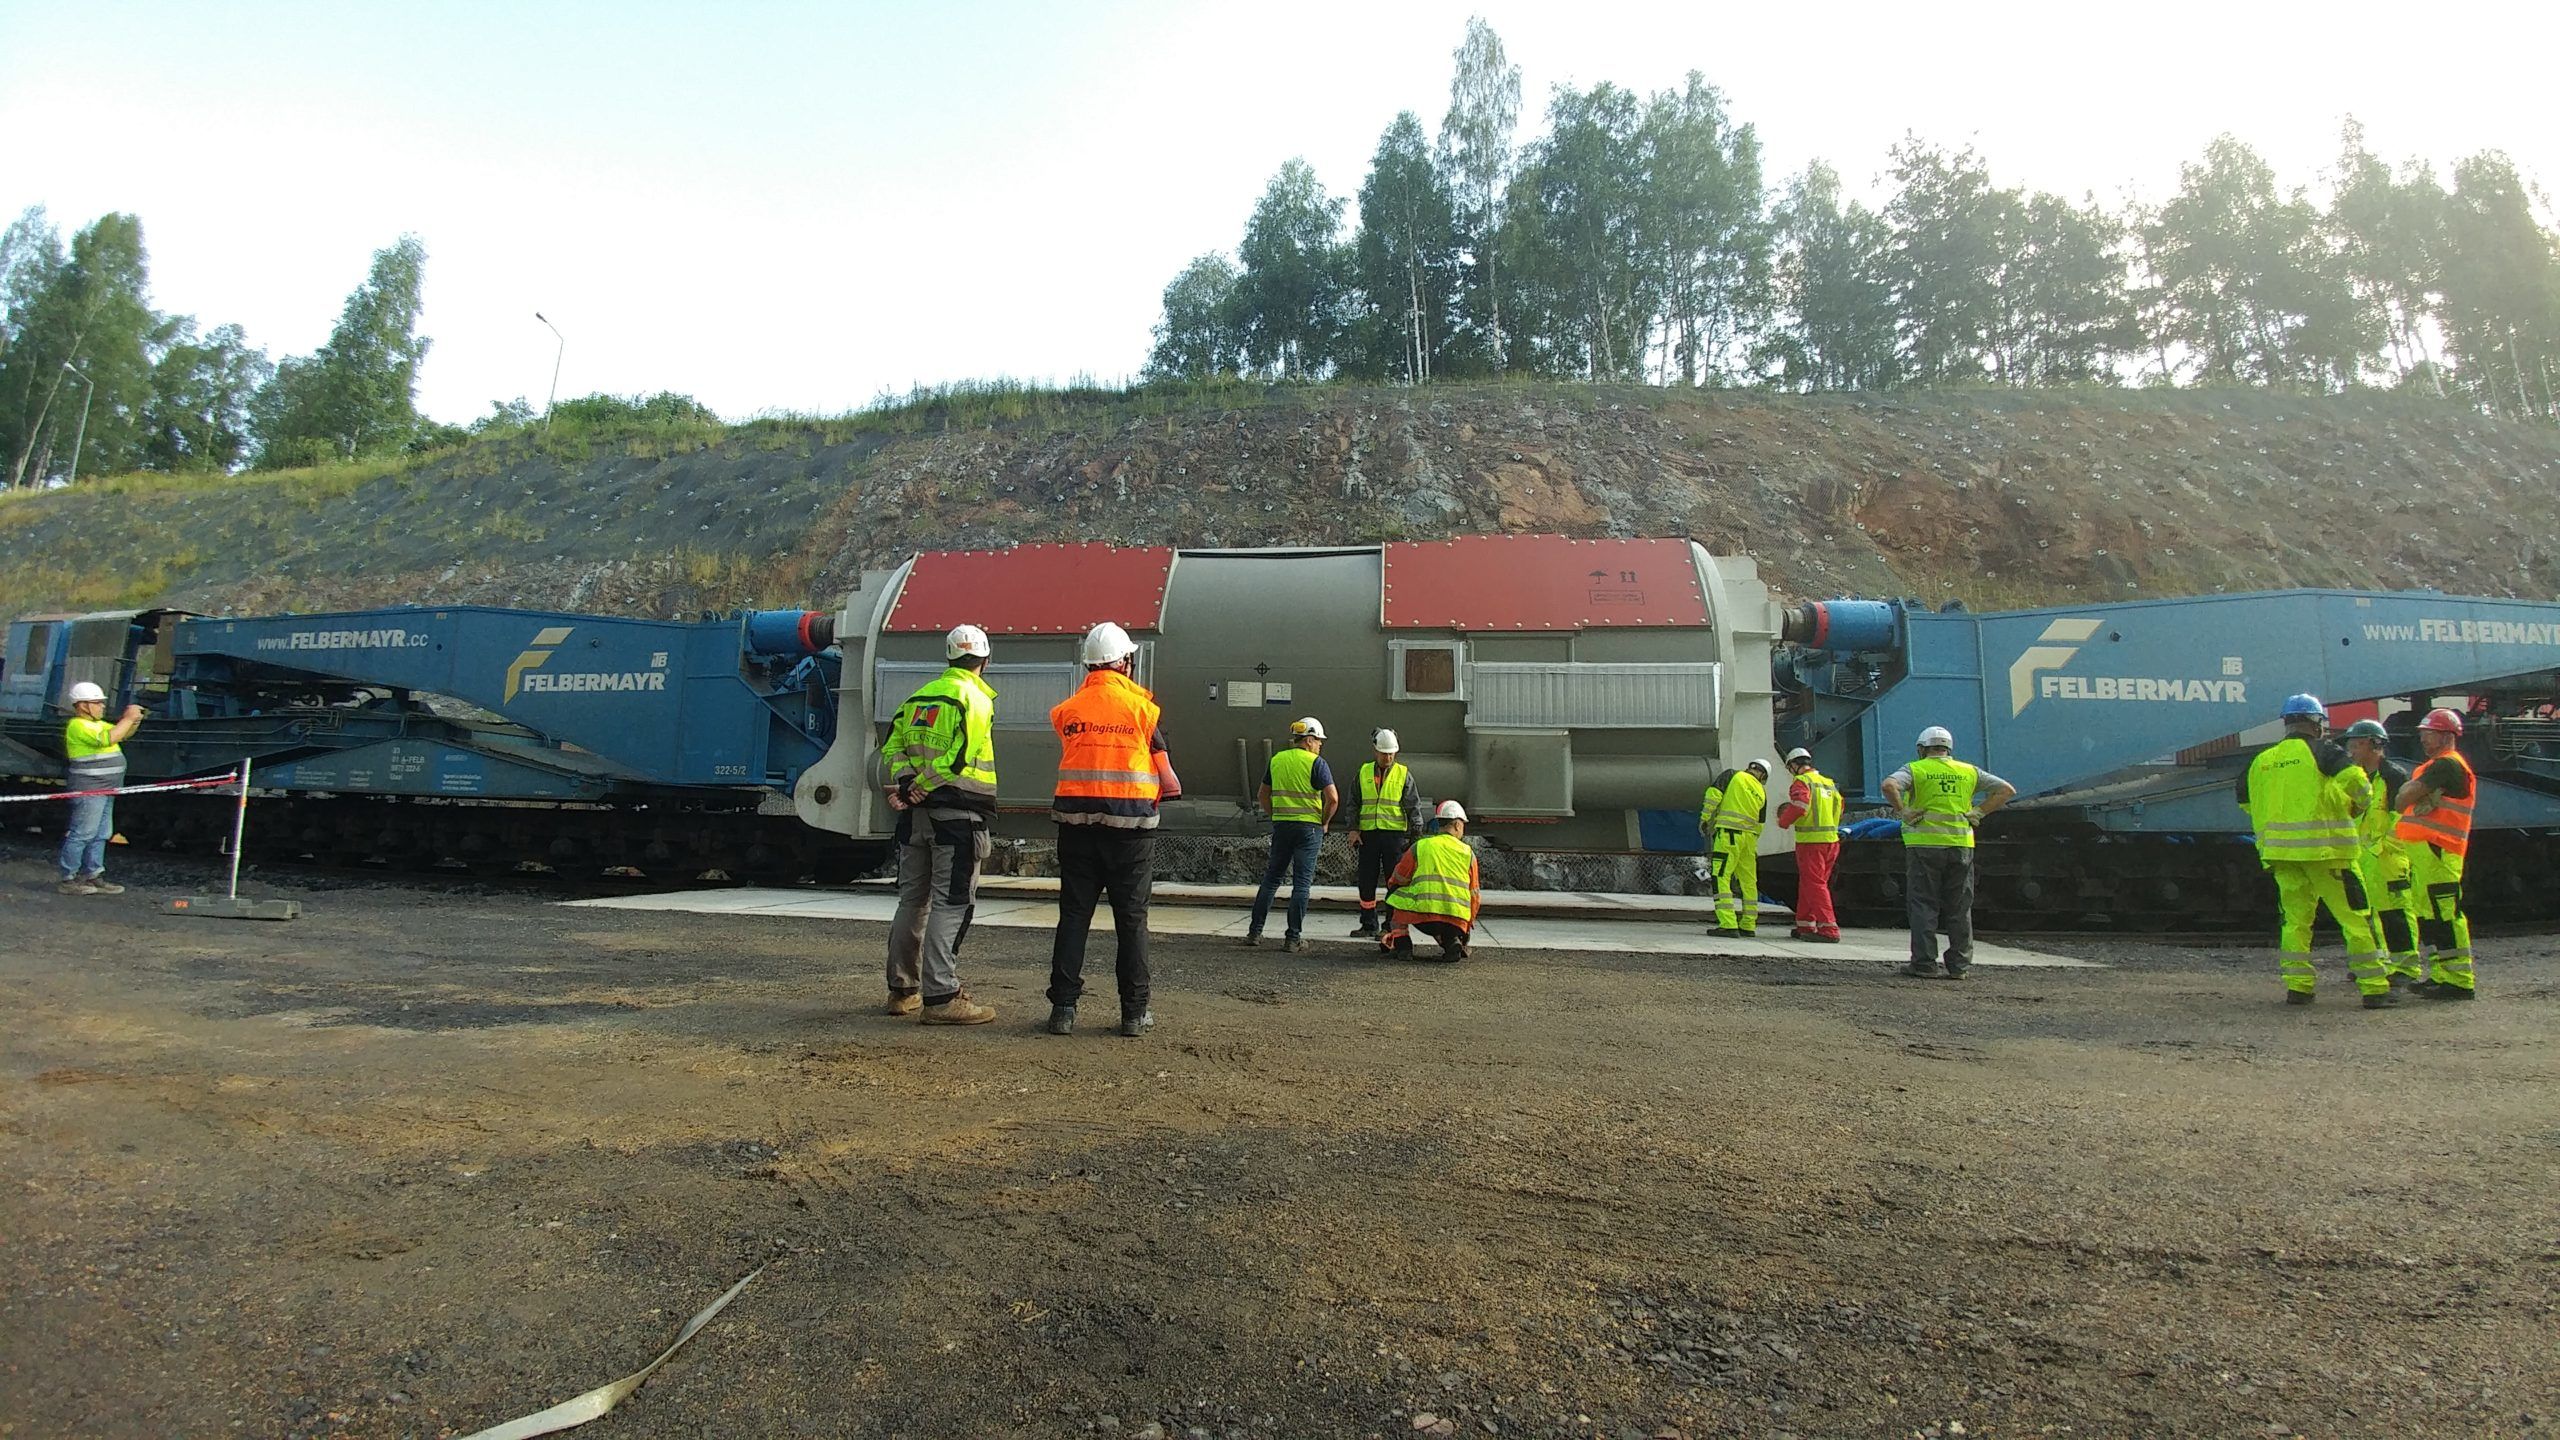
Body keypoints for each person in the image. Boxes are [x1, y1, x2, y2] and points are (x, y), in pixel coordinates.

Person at [1047, 621, 1180, 1038]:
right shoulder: (1143, 710)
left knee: (1073, 916)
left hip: (1076, 825)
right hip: (1131, 829)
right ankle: (1134, 1014)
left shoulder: (1067, 711)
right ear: (1125, 662)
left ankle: (1063, 1011)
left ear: (1089, 664)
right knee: (1131, 920)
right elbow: (1161, 764)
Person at [877, 624, 1000, 1026]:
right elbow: (959, 759)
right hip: (958, 817)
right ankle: (942, 995)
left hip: (916, 820)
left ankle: (903, 991)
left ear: (949, 658)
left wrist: (909, 785)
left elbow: (891, 748)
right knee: (952, 902)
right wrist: (923, 787)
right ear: (984, 660)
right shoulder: (975, 698)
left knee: (912, 901)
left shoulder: (916, 698)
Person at [2238, 694, 2388, 1007]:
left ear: (2287, 723)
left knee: (2295, 922)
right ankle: (2374, 987)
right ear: (2316, 723)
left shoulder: (2261, 760)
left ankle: (2299, 987)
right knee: (2355, 919)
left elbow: (2246, 802)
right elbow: (2360, 786)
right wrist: (2354, 807)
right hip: (2328, 853)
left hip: (2281, 856)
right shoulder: (2324, 752)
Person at [1880, 725, 2016, 978]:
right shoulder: (1968, 771)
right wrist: (1979, 812)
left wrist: (1903, 811)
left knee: (1923, 905)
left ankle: (1924, 964)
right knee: (1960, 907)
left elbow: (1889, 785)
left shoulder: (1916, 769)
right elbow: (2007, 790)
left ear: (1922, 749)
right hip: (1961, 847)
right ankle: (1959, 966)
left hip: (1924, 847)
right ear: (1948, 749)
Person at [2394, 707, 2477, 1000]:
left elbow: (2404, 796)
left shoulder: (2446, 766)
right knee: (2431, 914)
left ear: (2445, 735)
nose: (2423, 740)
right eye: (2422, 734)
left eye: (2428, 734)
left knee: (2444, 914)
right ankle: (2443, 976)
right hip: (2429, 851)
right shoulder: (2435, 767)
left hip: (2438, 848)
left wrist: (2407, 795)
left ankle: (2459, 980)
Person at [1242, 717, 1338, 953]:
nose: (1320, 746)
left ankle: (1255, 932)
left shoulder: (1277, 760)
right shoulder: (1317, 763)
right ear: (1308, 740)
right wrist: (1323, 822)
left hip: (1282, 827)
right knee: (1302, 884)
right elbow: (1333, 799)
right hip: (1308, 829)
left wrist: (1277, 814)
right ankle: (1292, 938)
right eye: (1318, 741)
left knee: (1272, 879)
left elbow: (1262, 795)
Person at [2340, 718, 2423, 989]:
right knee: (2366, 914)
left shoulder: (2393, 776)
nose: (2351, 749)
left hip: (2387, 857)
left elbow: (2403, 818)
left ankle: (2406, 968)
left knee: (2395, 913)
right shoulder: (2358, 777)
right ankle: (2377, 963)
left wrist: (2386, 846)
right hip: (2362, 855)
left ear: (2375, 745)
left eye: (2356, 744)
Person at [58, 680, 143, 896]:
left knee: (101, 833)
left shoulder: (98, 724)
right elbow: (110, 738)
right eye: (97, 703)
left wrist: (133, 722)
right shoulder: (78, 725)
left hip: (107, 788)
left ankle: (93, 874)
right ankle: (68, 878)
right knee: (83, 832)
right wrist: (128, 718)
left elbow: (122, 734)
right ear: (83, 705)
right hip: (89, 789)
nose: (102, 706)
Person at [1378, 800, 1481, 961]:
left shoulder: (1421, 846)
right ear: (1457, 825)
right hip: (1455, 921)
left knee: (1394, 896)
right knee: (1448, 924)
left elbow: (1397, 878)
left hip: (1423, 919)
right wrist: (1466, 928)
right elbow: (1474, 895)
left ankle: (1403, 946)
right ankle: (1451, 942)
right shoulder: (1468, 854)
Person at [1346, 728, 1420, 938]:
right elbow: (1354, 803)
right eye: (1383, 753)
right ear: (1375, 751)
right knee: (1366, 880)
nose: (1387, 757)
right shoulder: (1363, 772)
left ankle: (1390, 925)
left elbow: (1413, 805)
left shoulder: (1403, 774)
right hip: (1368, 835)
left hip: (1394, 837)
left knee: (1393, 881)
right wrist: (1353, 829)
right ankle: (1368, 923)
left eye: (1391, 753)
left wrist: (1415, 833)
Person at [1777, 747, 1844, 942]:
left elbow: (1800, 806)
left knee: (1814, 884)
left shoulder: (1801, 782)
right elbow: (1840, 808)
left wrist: (1783, 821)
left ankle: (1829, 929)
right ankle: (1805, 924)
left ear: (1793, 765)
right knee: (1811, 883)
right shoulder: (1828, 783)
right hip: (1831, 841)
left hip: (1811, 843)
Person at [1699, 757, 1770, 937]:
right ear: (1763, 776)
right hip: (1749, 841)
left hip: (1728, 836)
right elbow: (1760, 823)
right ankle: (1748, 925)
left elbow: (1713, 795)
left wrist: (1705, 819)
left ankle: (1728, 923)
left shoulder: (1732, 775)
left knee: (1721, 876)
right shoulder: (1761, 791)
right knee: (1748, 882)